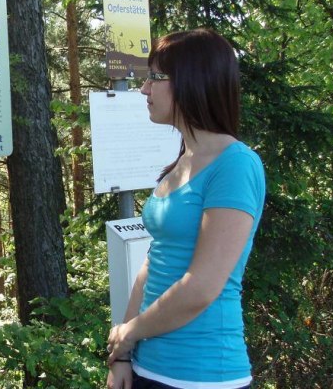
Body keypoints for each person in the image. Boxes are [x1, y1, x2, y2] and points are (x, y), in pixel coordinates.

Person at [106, 29, 266, 389]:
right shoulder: (182, 162)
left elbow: (202, 287)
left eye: (155, 77)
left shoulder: (236, 165)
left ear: (192, 81)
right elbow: (153, 261)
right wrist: (123, 355)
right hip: (148, 366)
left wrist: (129, 332)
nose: (144, 89)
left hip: (204, 374)